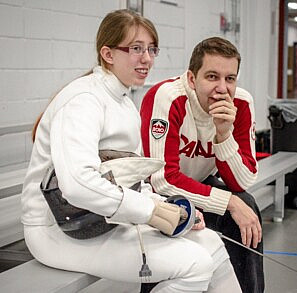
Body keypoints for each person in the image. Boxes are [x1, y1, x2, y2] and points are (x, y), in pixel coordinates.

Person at [22, 10, 242, 293]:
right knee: (194, 264)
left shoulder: (125, 105)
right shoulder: (84, 100)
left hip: (101, 221)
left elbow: (130, 178)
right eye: (136, 49)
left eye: (151, 49)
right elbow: (78, 186)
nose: (147, 58)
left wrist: (170, 207)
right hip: (57, 231)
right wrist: (151, 211)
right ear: (108, 54)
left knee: (211, 244)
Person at [140, 37, 264, 293]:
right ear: (192, 79)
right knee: (174, 224)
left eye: (230, 78)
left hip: (198, 182)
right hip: (155, 191)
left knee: (247, 205)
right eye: (212, 76)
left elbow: (242, 181)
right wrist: (228, 202)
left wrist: (223, 135)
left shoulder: (241, 103)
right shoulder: (167, 97)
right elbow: (163, 179)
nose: (222, 88)